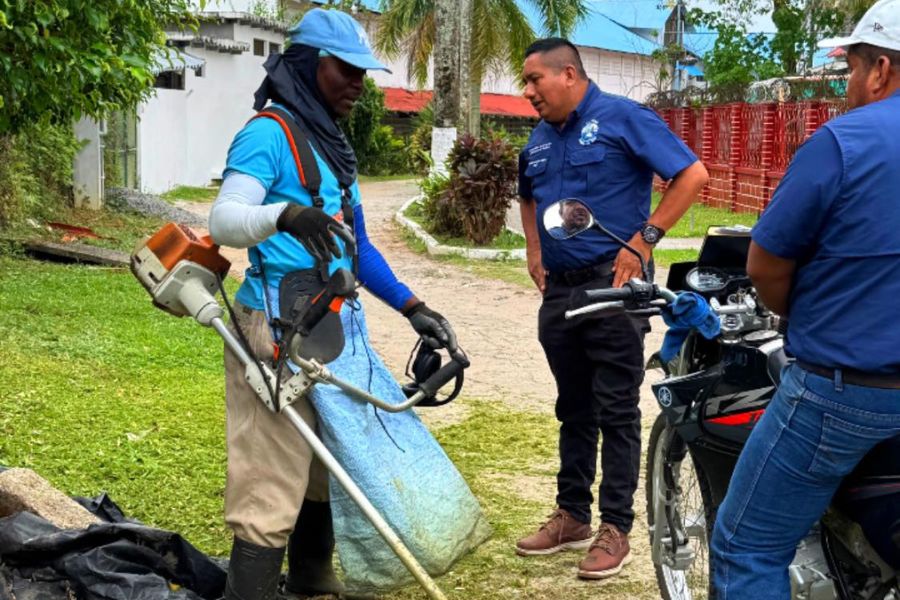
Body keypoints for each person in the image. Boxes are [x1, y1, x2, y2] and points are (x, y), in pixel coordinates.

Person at [206, 9, 459, 600]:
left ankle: (312, 576)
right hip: (274, 329)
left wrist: (413, 306)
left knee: (328, 454)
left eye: (362, 73)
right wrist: (285, 215)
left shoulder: (331, 145)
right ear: (307, 65)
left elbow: (357, 245)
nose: (358, 84)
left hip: (331, 327)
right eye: (346, 70)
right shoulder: (268, 134)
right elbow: (223, 220)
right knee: (272, 468)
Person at [710, 1, 900, 597]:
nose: (849, 84)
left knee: (746, 546)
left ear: (880, 70)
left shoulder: (843, 142)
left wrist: (802, 311)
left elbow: (765, 264)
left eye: (852, 68)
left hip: (848, 392)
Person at [514, 38, 708, 580]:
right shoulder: (538, 138)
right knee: (572, 406)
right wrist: (534, 250)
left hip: (615, 285)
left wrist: (643, 241)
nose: (527, 91)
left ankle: (616, 526)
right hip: (561, 292)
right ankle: (572, 515)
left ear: (568, 74)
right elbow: (527, 194)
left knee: (616, 409)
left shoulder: (624, 118)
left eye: (534, 79)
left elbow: (692, 175)